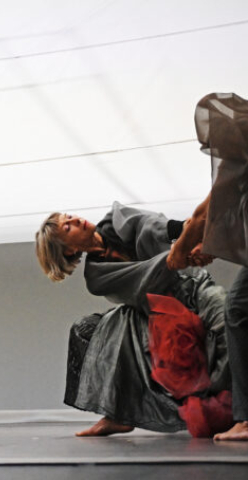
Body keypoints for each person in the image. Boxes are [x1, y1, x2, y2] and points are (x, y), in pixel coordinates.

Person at [35, 202, 230, 436]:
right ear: (68, 250)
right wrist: (180, 253)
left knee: (226, 319)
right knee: (86, 330)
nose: (75, 220)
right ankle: (120, 414)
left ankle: (238, 408)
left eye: (69, 216)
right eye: (67, 228)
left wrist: (183, 232)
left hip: (193, 285)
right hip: (159, 311)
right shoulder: (96, 277)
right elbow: (143, 280)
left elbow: (149, 225)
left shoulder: (115, 218)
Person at [167, 92, 248, 441]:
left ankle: (246, 419)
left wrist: (180, 251)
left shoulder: (238, 154)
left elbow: (205, 212)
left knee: (239, 308)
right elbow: (222, 211)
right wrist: (205, 245)